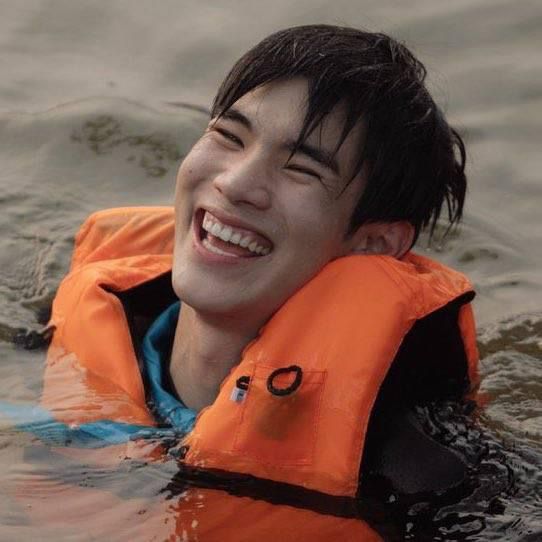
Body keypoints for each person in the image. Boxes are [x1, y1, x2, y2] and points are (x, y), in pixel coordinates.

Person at [7, 25, 479, 540]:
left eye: (302, 169)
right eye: (229, 136)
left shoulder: (416, 478)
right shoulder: (57, 333)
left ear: (373, 243)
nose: (234, 184)